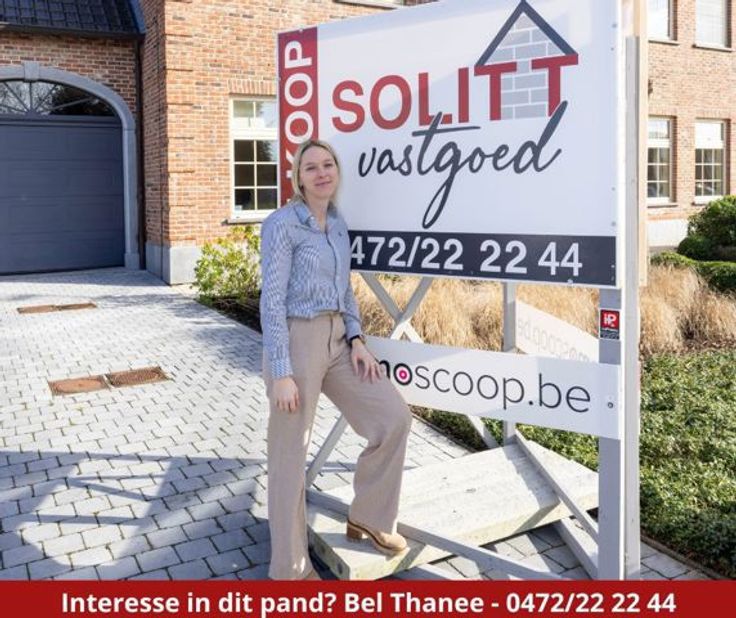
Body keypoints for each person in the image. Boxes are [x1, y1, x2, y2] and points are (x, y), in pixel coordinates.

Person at [259, 139, 413, 580]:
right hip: (296, 340)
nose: (322, 172)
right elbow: (271, 301)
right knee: (290, 456)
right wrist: (282, 372)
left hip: (338, 340)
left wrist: (357, 338)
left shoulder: (339, 222)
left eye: (328, 165)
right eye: (311, 167)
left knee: (393, 418)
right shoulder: (282, 225)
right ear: (298, 177)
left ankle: (370, 517)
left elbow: (345, 288)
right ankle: (289, 570)